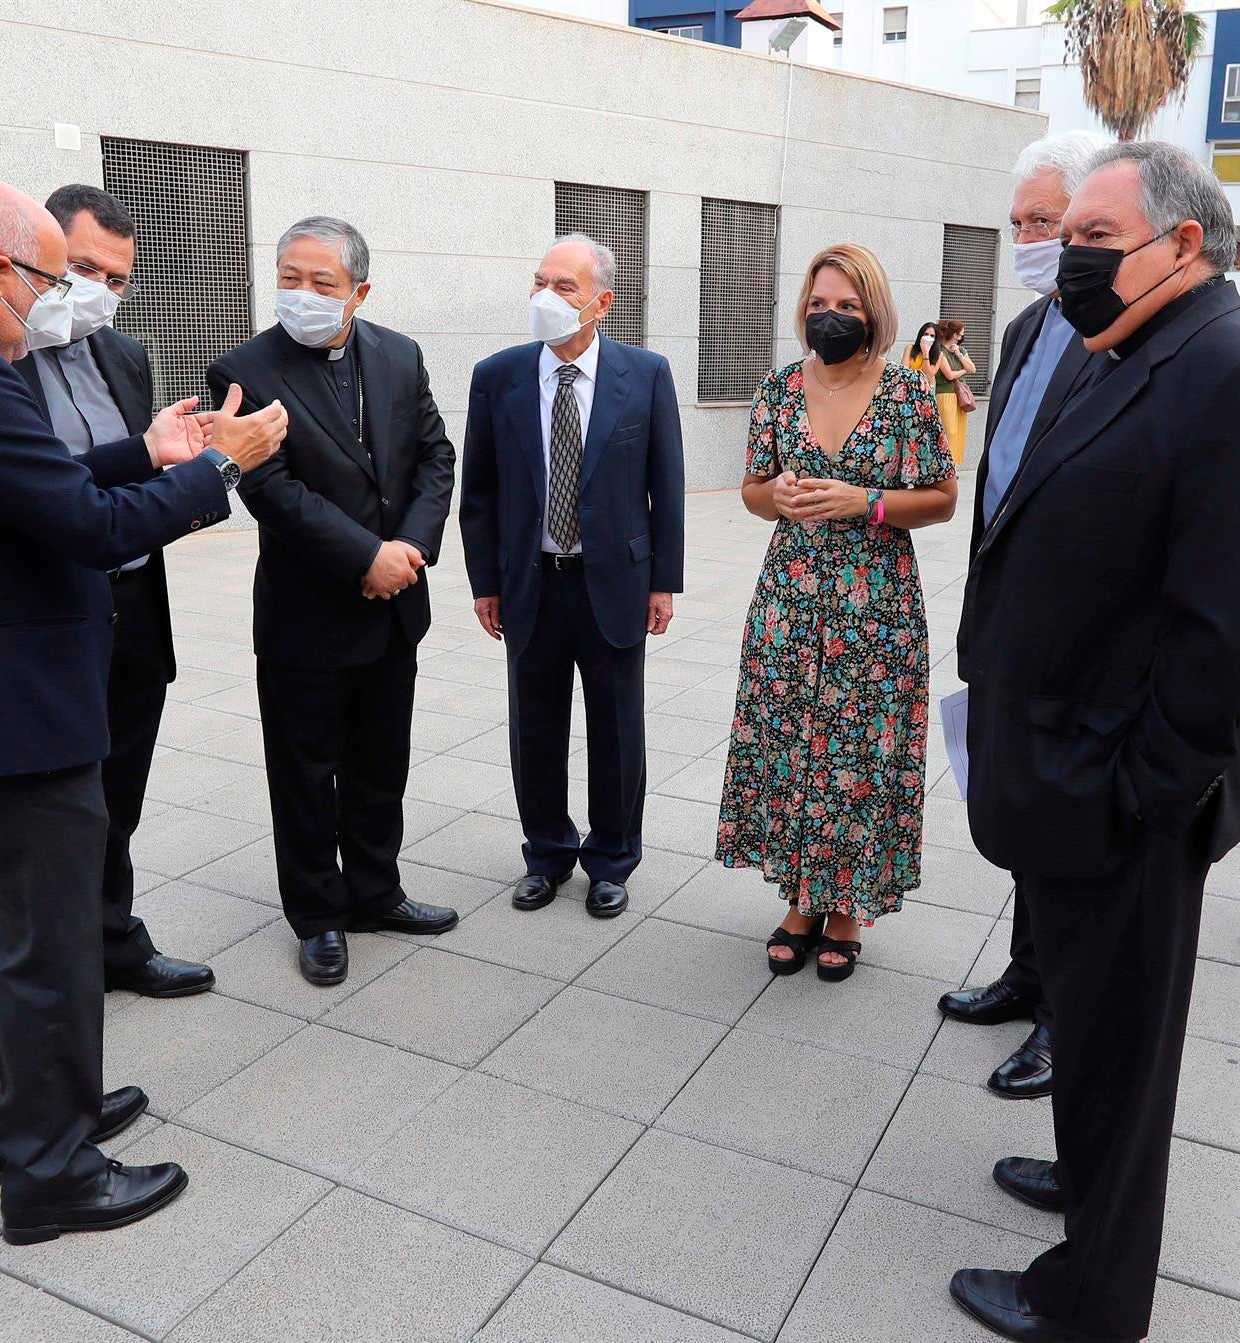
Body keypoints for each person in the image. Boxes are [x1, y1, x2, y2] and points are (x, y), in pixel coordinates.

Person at [0, 178, 284, 1244]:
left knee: (3, 917)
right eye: (47, 281)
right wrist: (223, 465)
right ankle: (53, 1171)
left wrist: (149, 452)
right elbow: (84, 523)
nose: (53, 306)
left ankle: (33, 1102)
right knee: (47, 938)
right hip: (8, 698)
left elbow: (28, 483)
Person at [950, 143, 1240, 1343]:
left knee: (1120, 1044)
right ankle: (1083, 1176)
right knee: (1094, 1027)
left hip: (1124, 788)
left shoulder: (1239, 371)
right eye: (1066, 237)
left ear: (1184, 243)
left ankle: (1091, 1300)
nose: (1069, 258)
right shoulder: (1130, 344)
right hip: (1067, 760)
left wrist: (1144, 788)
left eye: (1093, 237)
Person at [208, 217, 458, 989]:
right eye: (289, 277)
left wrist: (407, 550)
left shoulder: (399, 354)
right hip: (306, 613)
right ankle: (318, 914)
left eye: (322, 282)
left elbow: (434, 457)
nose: (302, 293)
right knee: (306, 774)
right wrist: (365, 556)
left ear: (359, 291)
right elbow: (269, 489)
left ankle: (377, 892)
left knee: (381, 764)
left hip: (393, 603)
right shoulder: (244, 369)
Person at [716, 243, 958, 982]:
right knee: (792, 744)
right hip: (790, 602)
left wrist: (867, 500)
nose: (831, 316)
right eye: (819, 304)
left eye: (846, 306)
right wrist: (777, 497)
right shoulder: (780, 387)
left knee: (860, 755)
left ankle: (846, 907)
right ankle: (800, 899)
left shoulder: (908, 392)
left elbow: (943, 498)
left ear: (873, 313)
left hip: (875, 606)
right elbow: (753, 489)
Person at [10, 184, 214, 999]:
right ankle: (52, 964)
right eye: (83, 268)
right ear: (42, 255)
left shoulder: (123, 354)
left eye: (117, 278)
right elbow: (44, 495)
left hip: (133, 608)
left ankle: (111, 939)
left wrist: (192, 466)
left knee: (117, 796)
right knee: (55, 808)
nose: (98, 289)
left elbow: (137, 483)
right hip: (48, 616)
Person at [939, 129, 1110, 1102]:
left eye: (1044, 221)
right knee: (1019, 814)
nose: (1028, 240)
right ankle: (1026, 971)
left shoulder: (1119, 338)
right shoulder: (1023, 329)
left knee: (1068, 834)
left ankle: (1064, 1017)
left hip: (1074, 641)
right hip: (1003, 619)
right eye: (1019, 223)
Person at [459, 236, 685, 917]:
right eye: (539, 282)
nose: (545, 297)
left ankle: (612, 857)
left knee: (616, 727)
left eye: (563, 286)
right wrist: (485, 583)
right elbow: (480, 492)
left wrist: (663, 581)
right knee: (534, 727)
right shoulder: (497, 376)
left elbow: (667, 485)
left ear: (601, 302)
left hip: (613, 582)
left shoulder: (645, 374)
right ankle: (547, 852)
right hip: (531, 582)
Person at [931, 319, 979, 466]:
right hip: (945, 394)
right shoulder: (940, 351)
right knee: (949, 431)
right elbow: (949, 375)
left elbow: (973, 368)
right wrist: (964, 370)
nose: (961, 337)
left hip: (960, 396)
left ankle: (952, 466)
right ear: (954, 334)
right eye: (960, 334)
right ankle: (944, 466)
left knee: (958, 431)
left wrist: (958, 354)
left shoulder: (961, 350)